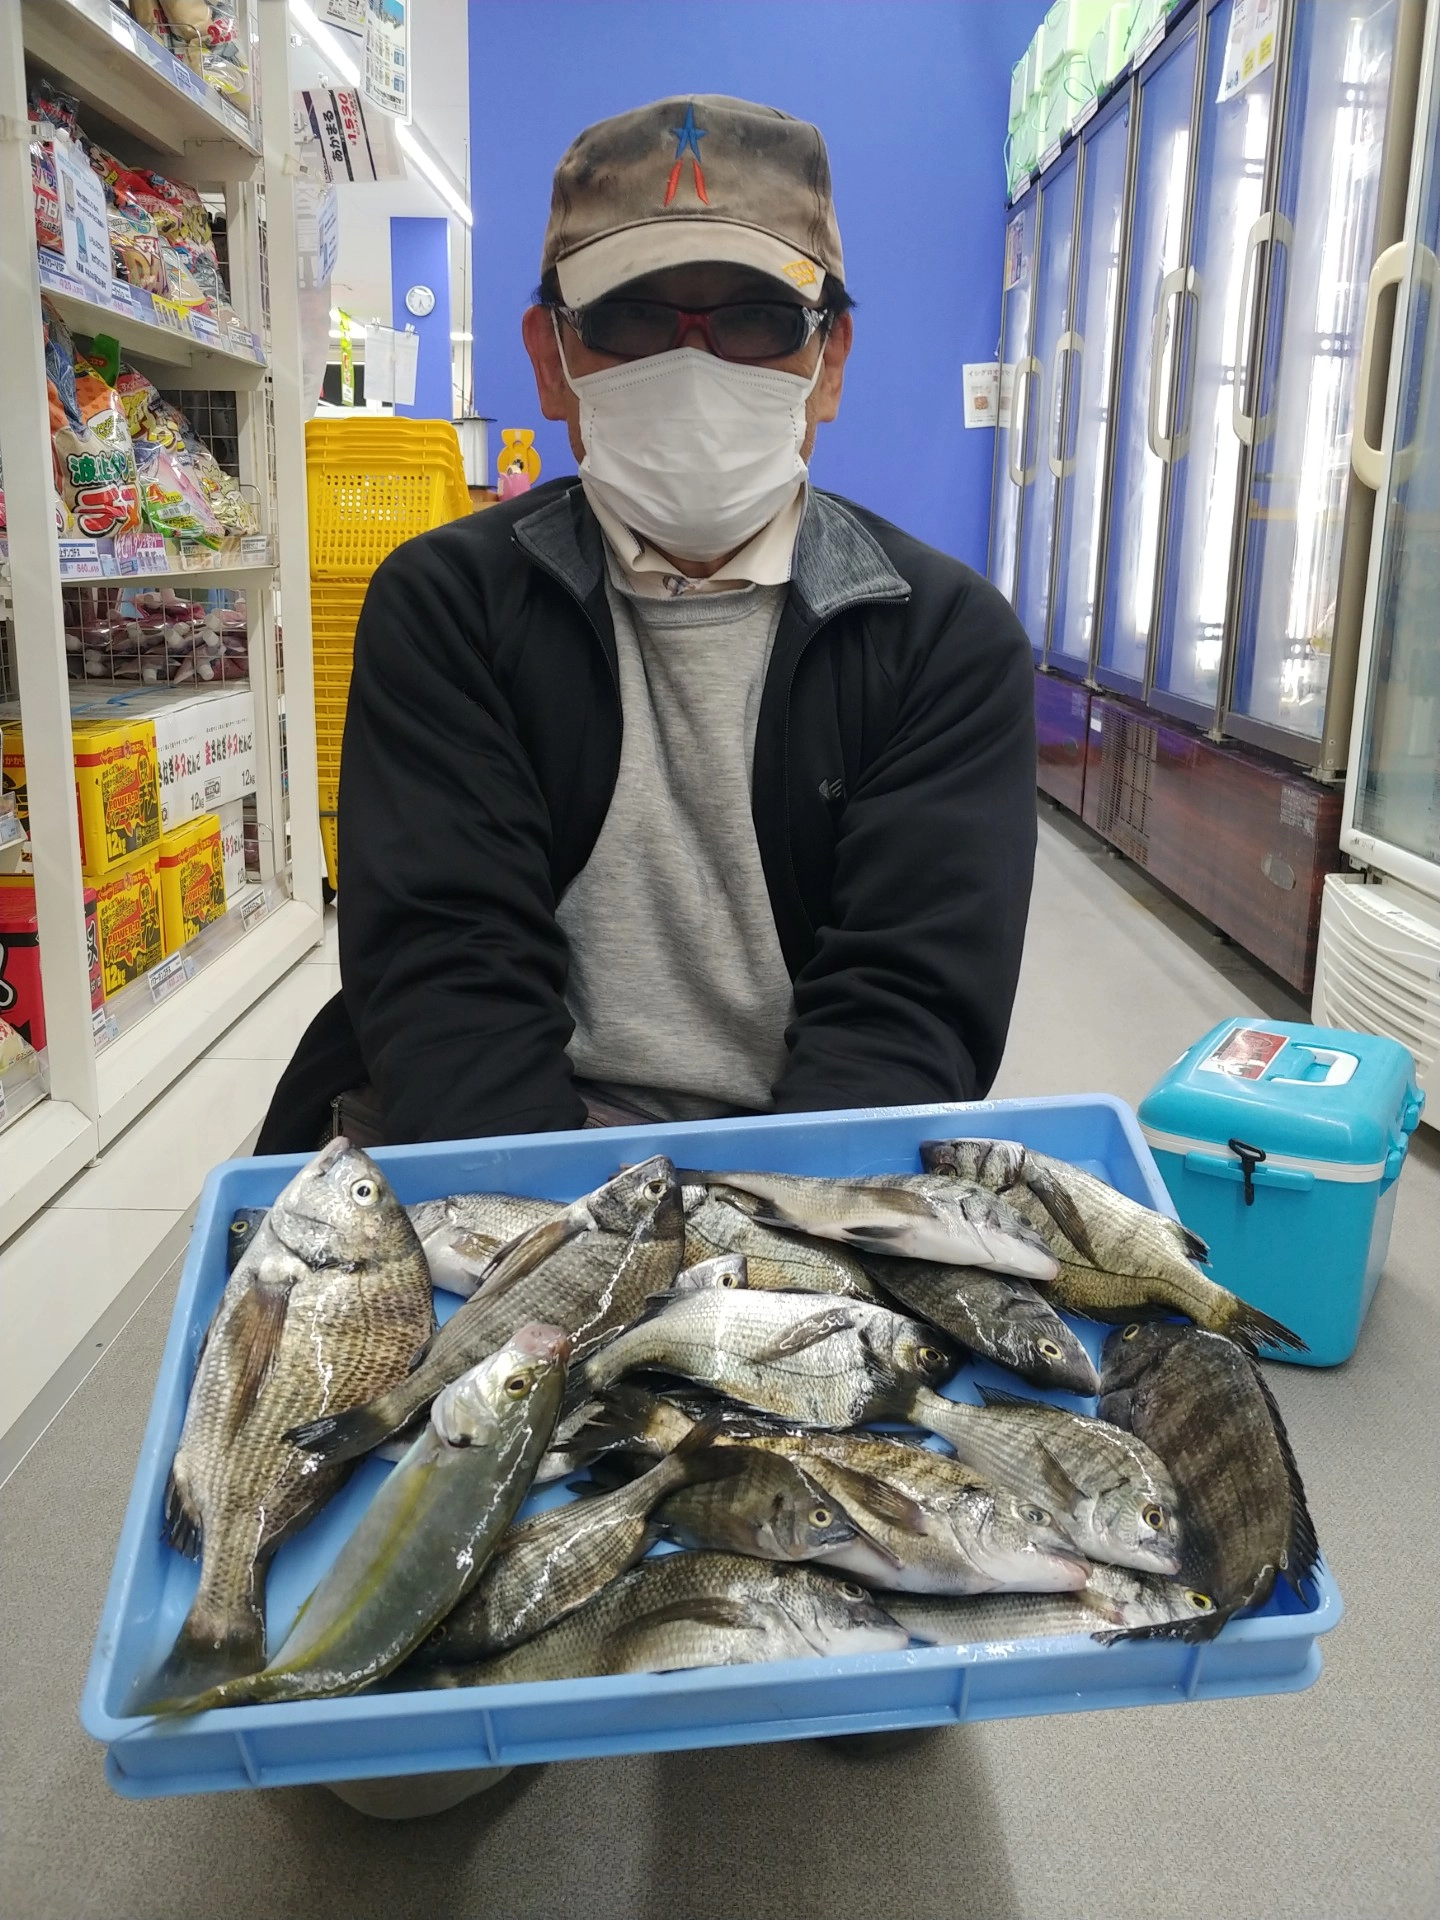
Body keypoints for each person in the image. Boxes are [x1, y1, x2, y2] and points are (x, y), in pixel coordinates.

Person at [258, 93, 1036, 1156]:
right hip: (498, 1150)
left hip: (791, 1161)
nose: (693, 364)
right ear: (552, 358)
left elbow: (909, 1014)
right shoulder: (447, 604)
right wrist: (560, 1264)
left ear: (830, 359)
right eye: (631, 319)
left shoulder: (943, 641)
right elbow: (449, 984)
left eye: (756, 320)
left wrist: (773, 1251)